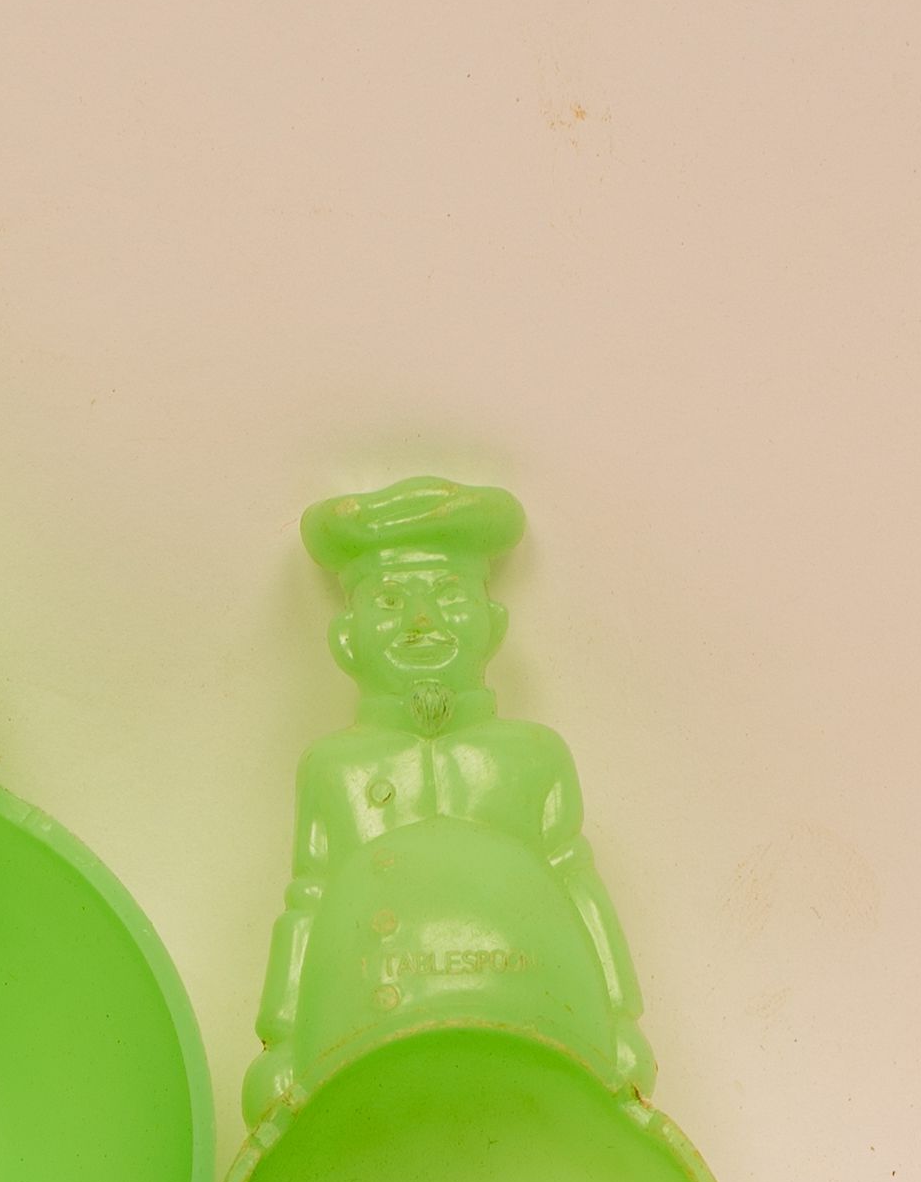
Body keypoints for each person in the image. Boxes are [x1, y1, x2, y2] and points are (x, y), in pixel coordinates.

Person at [244, 474, 655, 1124]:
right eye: (389, 600)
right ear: (346, 639)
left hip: (538, 1034)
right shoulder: (335, 769)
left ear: (493, 625)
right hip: (363, 1042)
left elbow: (576, 881)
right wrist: (285, 1039)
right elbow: (309, 901)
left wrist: (619, 1020)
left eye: (448, 595)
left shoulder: (531, 757)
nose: (422, 621)